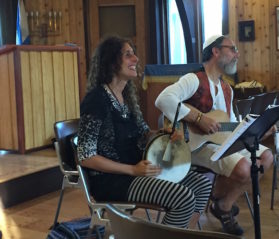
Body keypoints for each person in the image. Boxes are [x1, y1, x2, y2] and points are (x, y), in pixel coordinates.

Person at [77, 36, 212, 229]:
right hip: (112, 180)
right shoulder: (96, 100)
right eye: (128, 55)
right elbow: (86, 156)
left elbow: (143, 134)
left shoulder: (126, 97)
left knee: (202, 185)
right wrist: (132, 170)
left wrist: (163, 134)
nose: (136, 59)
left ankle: (183, 233)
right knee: (182, 197)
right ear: (111, 61)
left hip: (138, 169)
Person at [155, 34, 274, 235]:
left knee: (266, 156)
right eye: (232, 49)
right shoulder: (193, 79)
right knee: (245, 169)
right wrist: (198, 119)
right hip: (194, 146)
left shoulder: (227, 88)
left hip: (220, 143)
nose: (237, 54)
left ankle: (223, 204)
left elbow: (232, 124)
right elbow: (163, 99)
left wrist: (259, 129)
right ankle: (219, 199)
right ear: (215, 51)